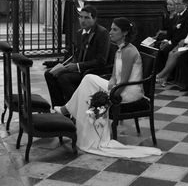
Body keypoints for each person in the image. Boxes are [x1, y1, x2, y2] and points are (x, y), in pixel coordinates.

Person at [55, 18, 162, 158]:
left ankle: (69, 110)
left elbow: (123, 81)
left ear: (124, 33)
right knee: (89, 84)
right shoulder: (119, 49)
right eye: (111, 28)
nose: (110, 32)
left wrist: (110, 93)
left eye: (114, 29)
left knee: (88, 79)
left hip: (129, 91)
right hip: (119, 86)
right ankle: (73, 114)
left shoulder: (129, 51)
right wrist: (110, 83)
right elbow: (114, 76)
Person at [44, 5, 110, 106]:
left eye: (87, 17)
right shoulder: (80, 33)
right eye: (81, 17)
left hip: (90, 71)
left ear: (94, 19)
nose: (83, 21)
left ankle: (74, 108)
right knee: (49, 74)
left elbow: (101, 60)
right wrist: (66, 65)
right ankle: (59, 106)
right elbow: (77, 54)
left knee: (63, 78)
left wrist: (78, 66)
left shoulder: (102, 33)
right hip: (77, 68)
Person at [155, 2, 188, 84]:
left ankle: (161, 75)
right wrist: (183, 41)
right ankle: (165, 77)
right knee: (171, 53)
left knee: (176, 54)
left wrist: (185, 41)